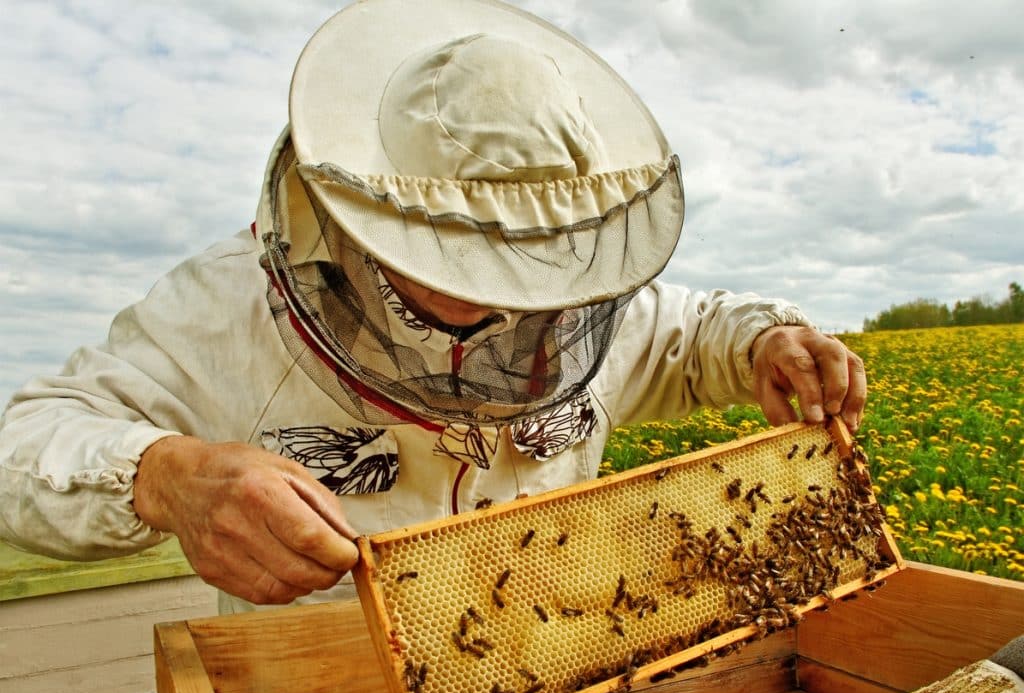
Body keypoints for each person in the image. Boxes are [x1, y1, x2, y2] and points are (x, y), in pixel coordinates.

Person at [0, 0, 864, 614]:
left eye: (530, 260)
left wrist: (765, 338)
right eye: (467, 257)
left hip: (554, 670)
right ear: (372, 222)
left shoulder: (578, 302)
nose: (508, 296)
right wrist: (166, 476)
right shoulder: (223, 307)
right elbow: (23, 447)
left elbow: (687, 333)